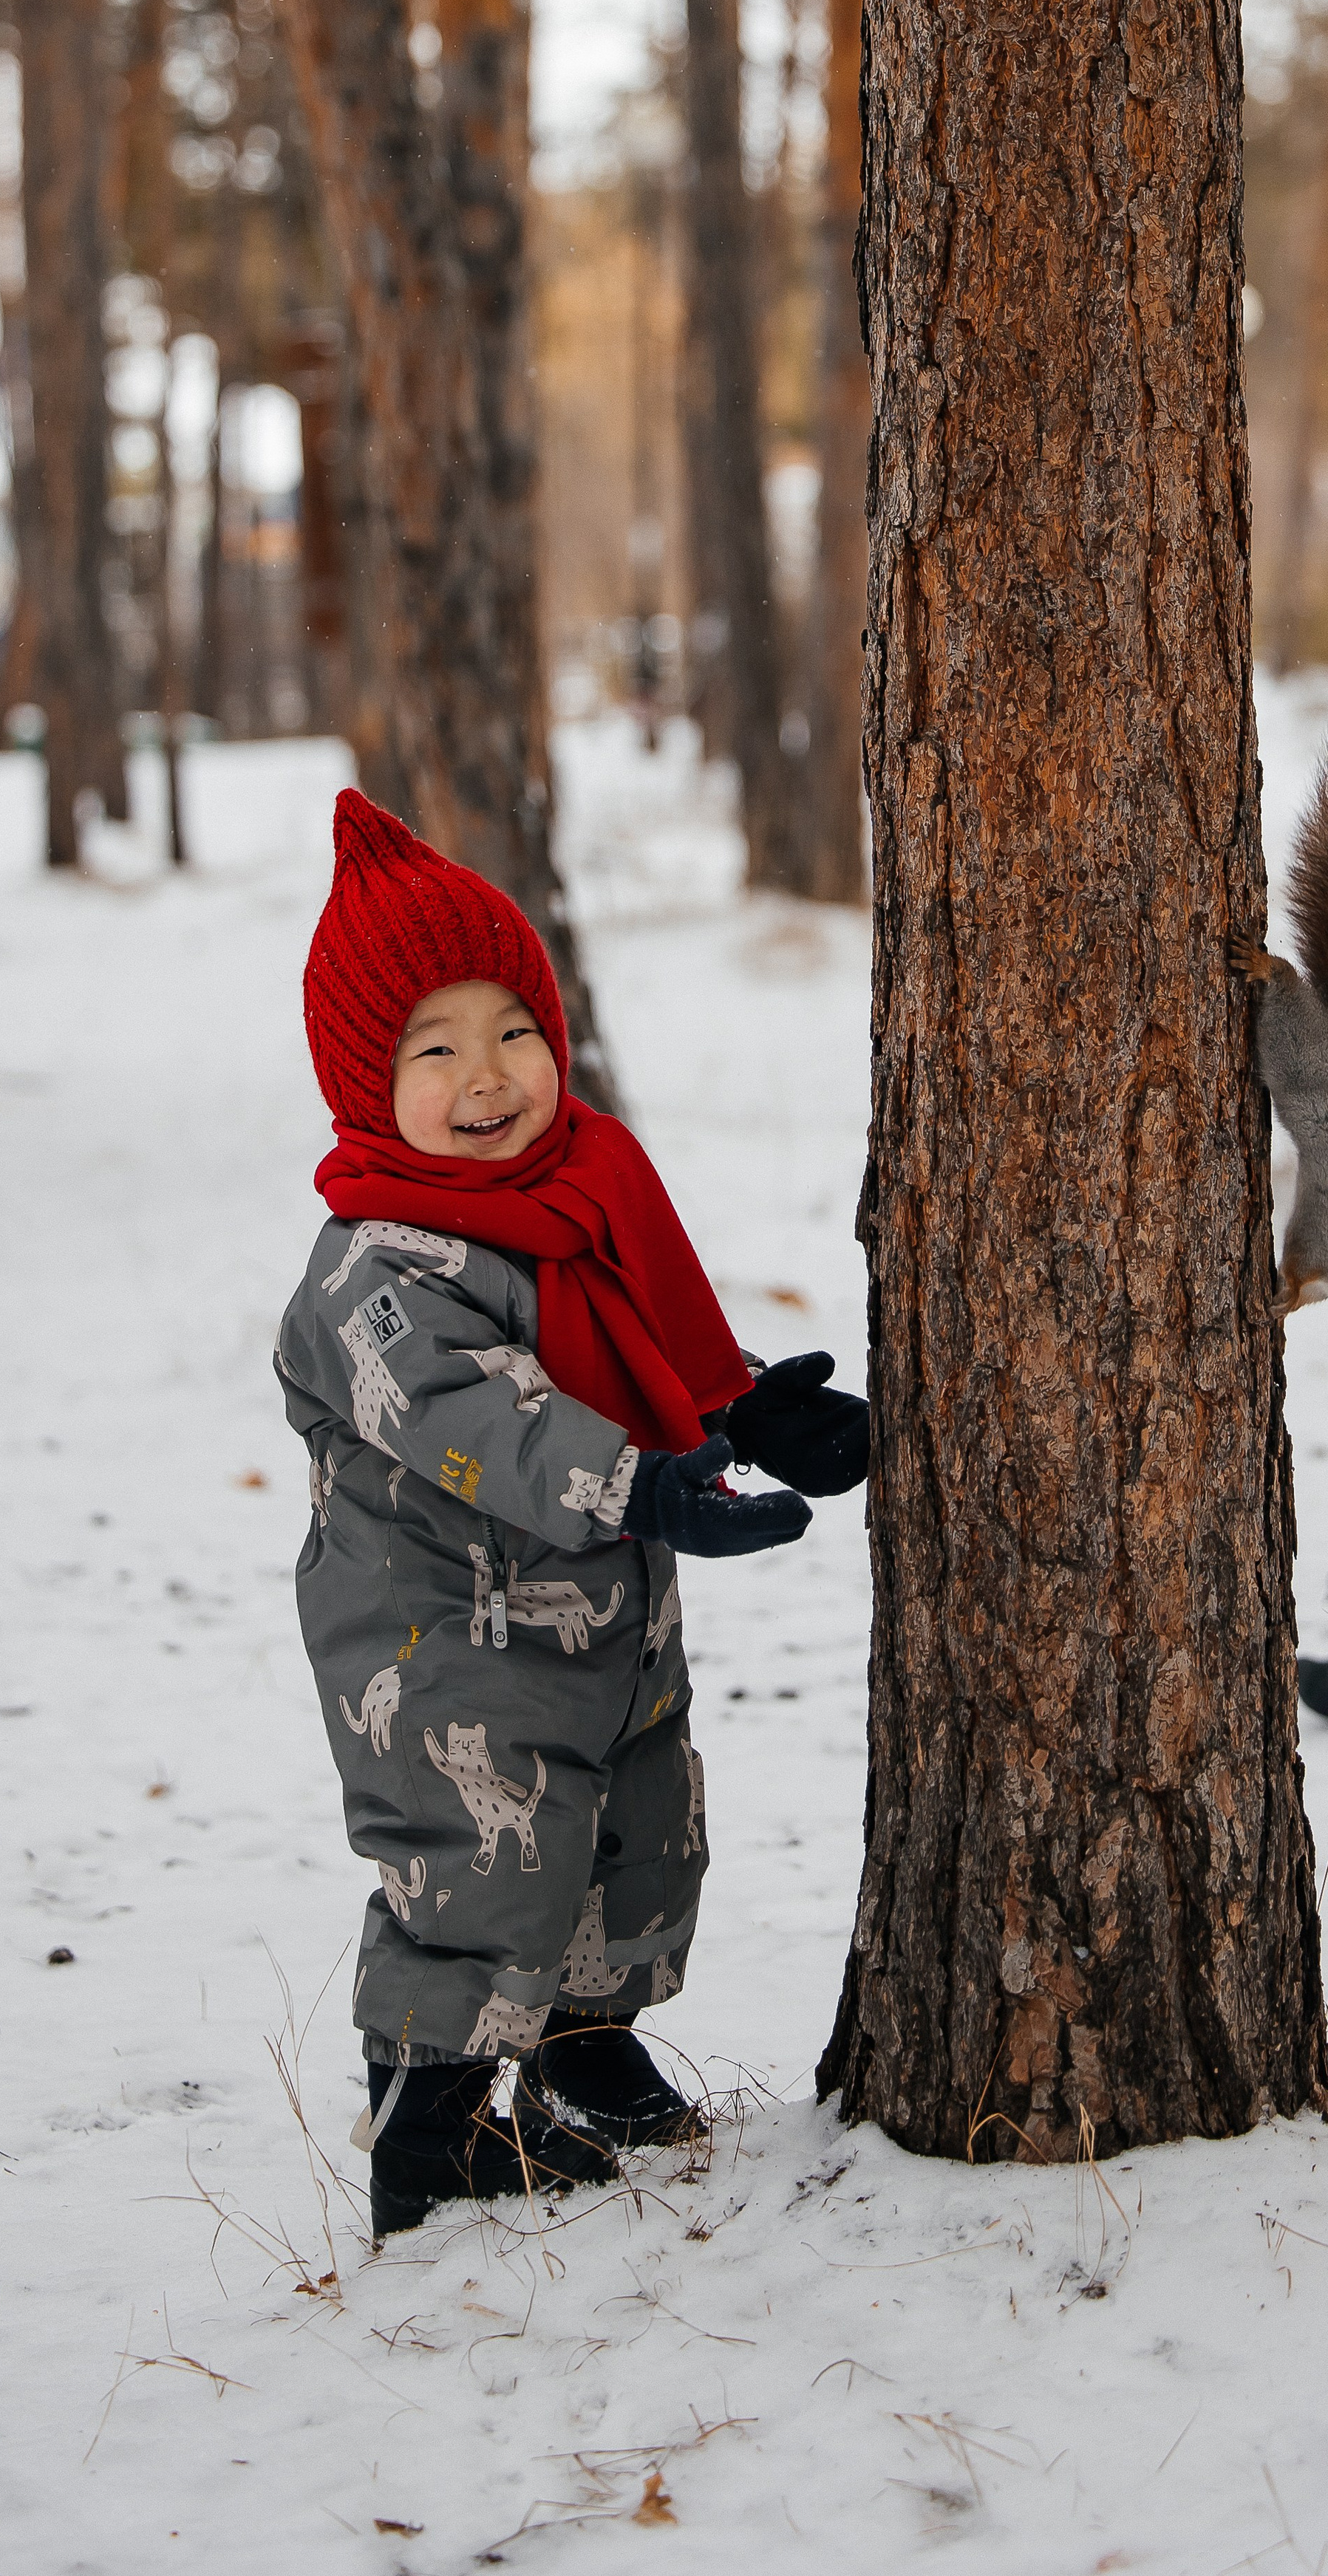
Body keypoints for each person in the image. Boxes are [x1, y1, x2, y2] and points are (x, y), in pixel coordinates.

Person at [277, 792, 868, 2235]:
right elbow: (486, 1423)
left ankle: (583, 2053)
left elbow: (645, 1346)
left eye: (512, 1032)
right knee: (487, 1870)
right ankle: (429, 2135)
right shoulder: (376, 1275)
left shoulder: (577, 1190)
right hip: (447, 1654)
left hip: (606, 1619)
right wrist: (648, 1483)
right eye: (435, 1048)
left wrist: (737, 1413)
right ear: (367, 1076)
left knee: (638, 1834)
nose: (488, 1077)